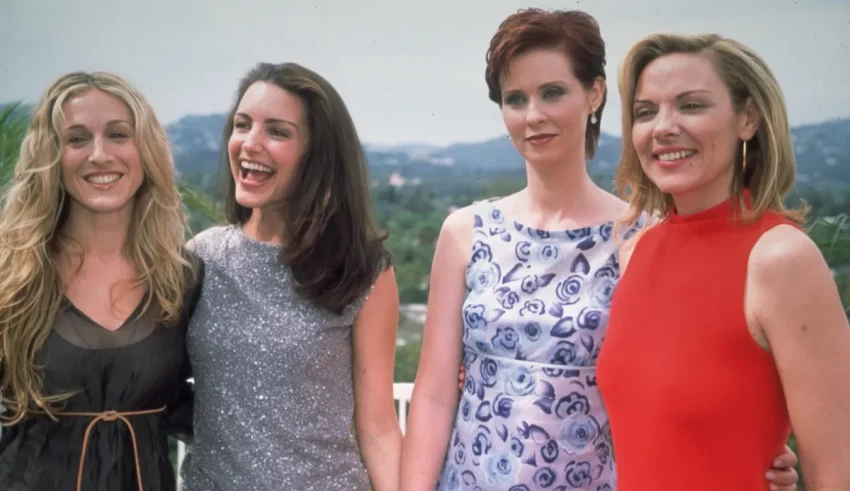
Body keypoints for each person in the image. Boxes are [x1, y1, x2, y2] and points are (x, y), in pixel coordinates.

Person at [400, 9, 801, 491]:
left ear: (594, 94)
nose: (533, 115)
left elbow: (689, 382)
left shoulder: (644, 239)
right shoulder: (465, 232)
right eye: (515, 98)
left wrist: (755, 452)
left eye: (552, 92)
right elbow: (434, 396)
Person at [596, 33, 850, 490]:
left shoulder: (779, 258)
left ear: (747, 118)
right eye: (645, 111)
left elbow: (837, 473)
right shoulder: (636, 250)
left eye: (691, 105)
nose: (663, 127)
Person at [178, 62, 402, 491]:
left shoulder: (362, 270)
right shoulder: (200, 259)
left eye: (277, 132)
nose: (250, 144)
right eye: (242, 126)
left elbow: (378, 427)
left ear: (317, 155)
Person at [0, 71, 203, 491]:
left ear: (145, 149)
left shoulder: (182, 279)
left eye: (117, 135)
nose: (99, 155)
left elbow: (215, 406)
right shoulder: (9, 274)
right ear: (52, 155)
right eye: (77, 139)